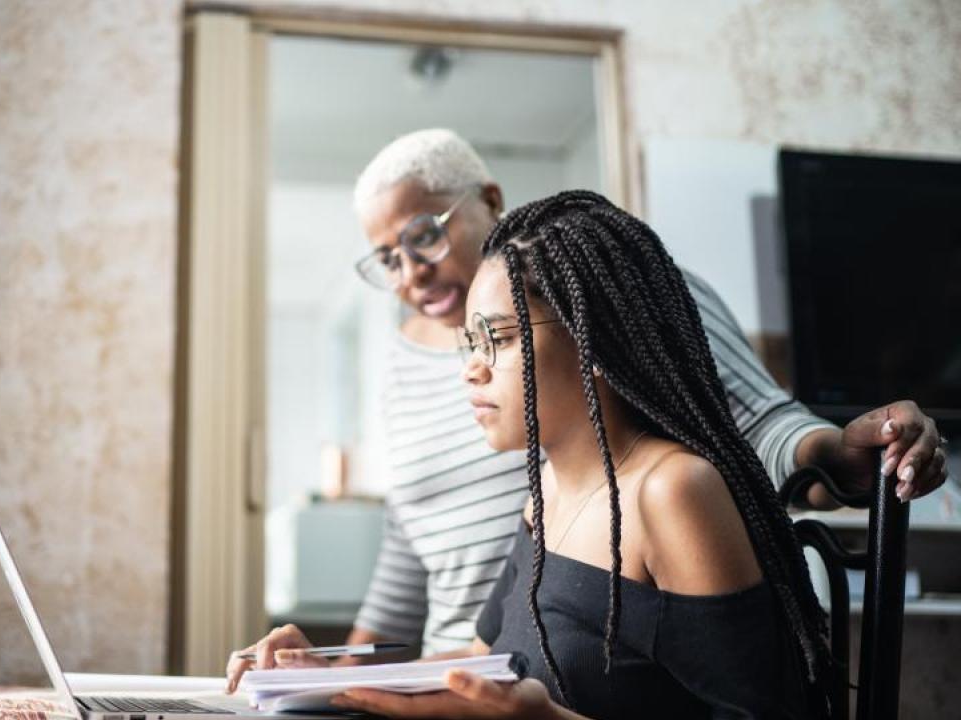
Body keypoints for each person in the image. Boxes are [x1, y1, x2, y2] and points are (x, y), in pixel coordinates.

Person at [333, 129, 946, 660]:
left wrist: (837, 457)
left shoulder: (618, 297)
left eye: (423, 236)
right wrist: (338, 671)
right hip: (474, 665)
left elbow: (757, 425)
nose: (410, 270)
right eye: (388, 258)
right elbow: (407, 541)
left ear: (488, 200)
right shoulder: (399, 367)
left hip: (592, 673)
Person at [231, 191, 829, 718]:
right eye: (471, 340)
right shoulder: (545, 493)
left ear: (594, 335)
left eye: (501, 337)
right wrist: (324, 681)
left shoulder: (672, 491)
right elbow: (482, 658)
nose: (471, 367)